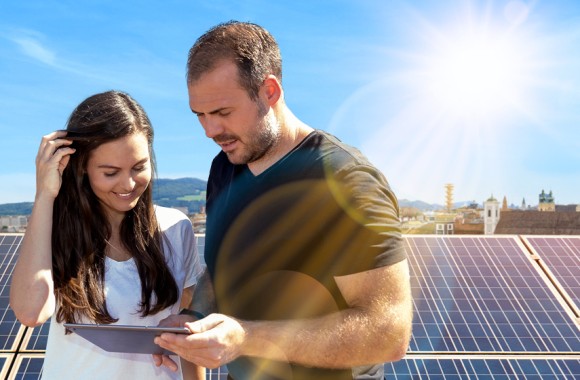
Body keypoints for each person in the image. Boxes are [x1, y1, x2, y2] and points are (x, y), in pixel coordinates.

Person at [155, 21, 413, 379]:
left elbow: (388, 334)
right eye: (200, 115)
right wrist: (193, 320)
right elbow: (221, 269)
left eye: (222, 113)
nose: (210, 131)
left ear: (269, 91)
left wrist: (245, 338)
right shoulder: (224, 169)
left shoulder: (345, 181)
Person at [10, 90, 205, 380]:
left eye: (139, 167)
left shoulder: (175, 228)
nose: (128, 184)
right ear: (82, 168)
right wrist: (44, 196)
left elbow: (190, 326)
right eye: (110, 172)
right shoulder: (54, 232)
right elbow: (30, 312)